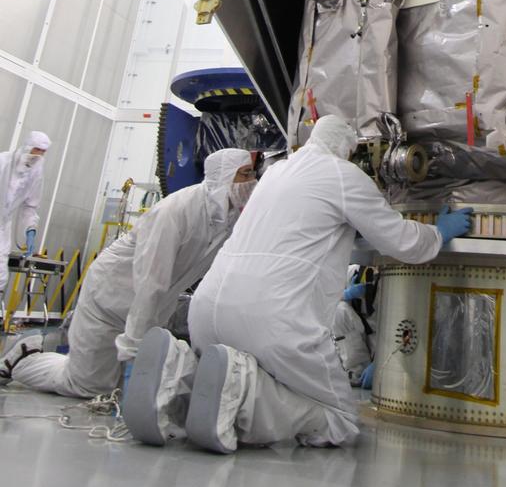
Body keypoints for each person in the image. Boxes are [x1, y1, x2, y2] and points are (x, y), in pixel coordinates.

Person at [124, 115, 473, 452]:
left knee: (238, 379)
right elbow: (397, 240)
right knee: (340, 420)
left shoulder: (275, 173)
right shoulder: (343, 175)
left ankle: (178, 377)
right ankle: (242, 392)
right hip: (274, 319)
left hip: (206, 312)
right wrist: (437, 233)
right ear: (348, 149)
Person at [2, 149, 256, 398]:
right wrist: (135, 345)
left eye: (252, 174)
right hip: (109, 298)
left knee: (112, 385)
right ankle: (24, 358)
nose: (252, 181)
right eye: (245, 174)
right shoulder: (177, 210)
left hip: (147, 307)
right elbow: (151, 280)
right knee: (86, 385)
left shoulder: (228, 220)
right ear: (223, 175)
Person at [0, 131, 51, 298]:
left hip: (2, 226)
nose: (39, 156)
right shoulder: (3, 161)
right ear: (28, 146)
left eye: (43, 152)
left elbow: (30, 206)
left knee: (1, 275)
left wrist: (30, 229)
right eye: (37, 150)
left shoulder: (36, 174)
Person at [333, 265, 378, 388]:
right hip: (359, 336)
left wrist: (378, 363)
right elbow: (327, 299)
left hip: (382, 341)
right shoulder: (351, 273)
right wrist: (346, 295)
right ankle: (356, 370)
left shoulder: (389, 284)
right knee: (338, 310)